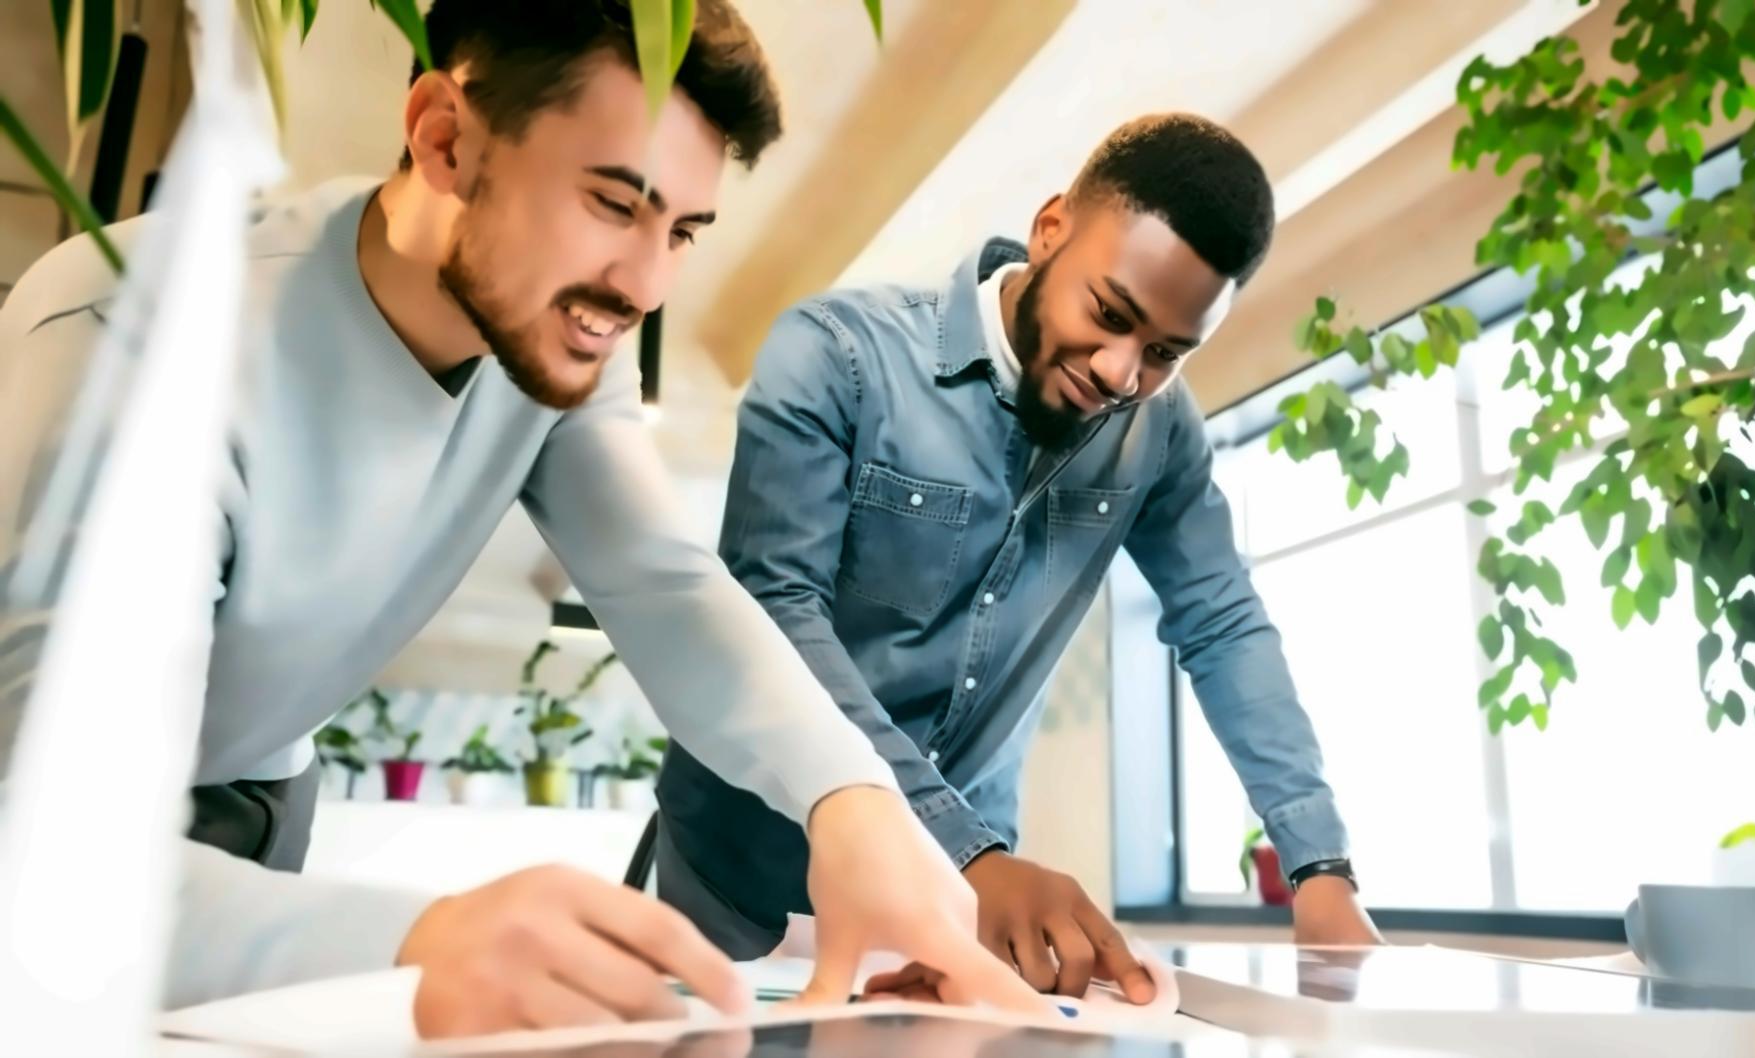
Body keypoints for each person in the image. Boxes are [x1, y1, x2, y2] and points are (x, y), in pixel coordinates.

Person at [0, 0, 1038, 1036]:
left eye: (680, 229)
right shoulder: (133, 337)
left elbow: (667, 584)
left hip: (257, 809)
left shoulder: (560, 343)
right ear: (444, 137)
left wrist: (852, 803)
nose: (644, 282)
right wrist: (428, 939)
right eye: (610, 202)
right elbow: (46, 863)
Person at [656, 113, 1384, 1000]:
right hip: (747, 883)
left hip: (963, 894)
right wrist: (968, 851)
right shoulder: (837, 356)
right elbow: (777, 611)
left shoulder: (1158, 435)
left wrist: (1320, 868)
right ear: (1049, 232)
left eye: (1164, 353)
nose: (1121, 374)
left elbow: (1223, 624)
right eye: (1110, 316)